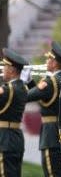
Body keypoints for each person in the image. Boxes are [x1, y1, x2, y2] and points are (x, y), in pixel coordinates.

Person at [27, 41, 61, 177]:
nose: (47, 61)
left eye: (49, 59)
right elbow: (42, 98)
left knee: (52, 172)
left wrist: (21, 81)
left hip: (50, 135)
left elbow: (27, 96)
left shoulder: (49, 82)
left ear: (54, 63)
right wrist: (30, 81)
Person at [0, 49, 31, 177]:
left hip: (4, 139)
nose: (3, 71)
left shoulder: (7, 90)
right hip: (16, 137)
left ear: (12, 70)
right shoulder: (23, 87)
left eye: (5, 67)